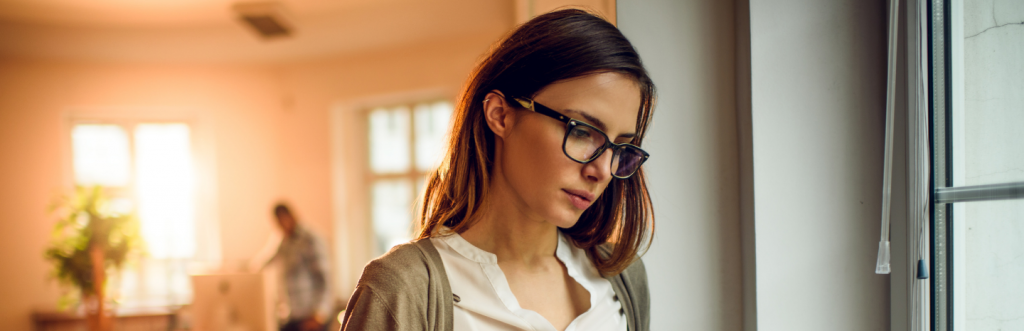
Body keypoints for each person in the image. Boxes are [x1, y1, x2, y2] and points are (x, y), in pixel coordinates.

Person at [341, 9, 655, 331]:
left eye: (620, 147)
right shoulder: (402, 289)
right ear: (500, 114)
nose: (602, 170)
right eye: (581, 131)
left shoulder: (624, 279)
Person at [257, 203, 333, 331]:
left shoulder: (311, 239)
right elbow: (264, 261)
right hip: (292, 315)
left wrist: (319, 314)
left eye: (282, 222)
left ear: (291, 216)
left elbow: (324, 279)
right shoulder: (282, 240)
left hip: (312, 316)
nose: (281, 227)